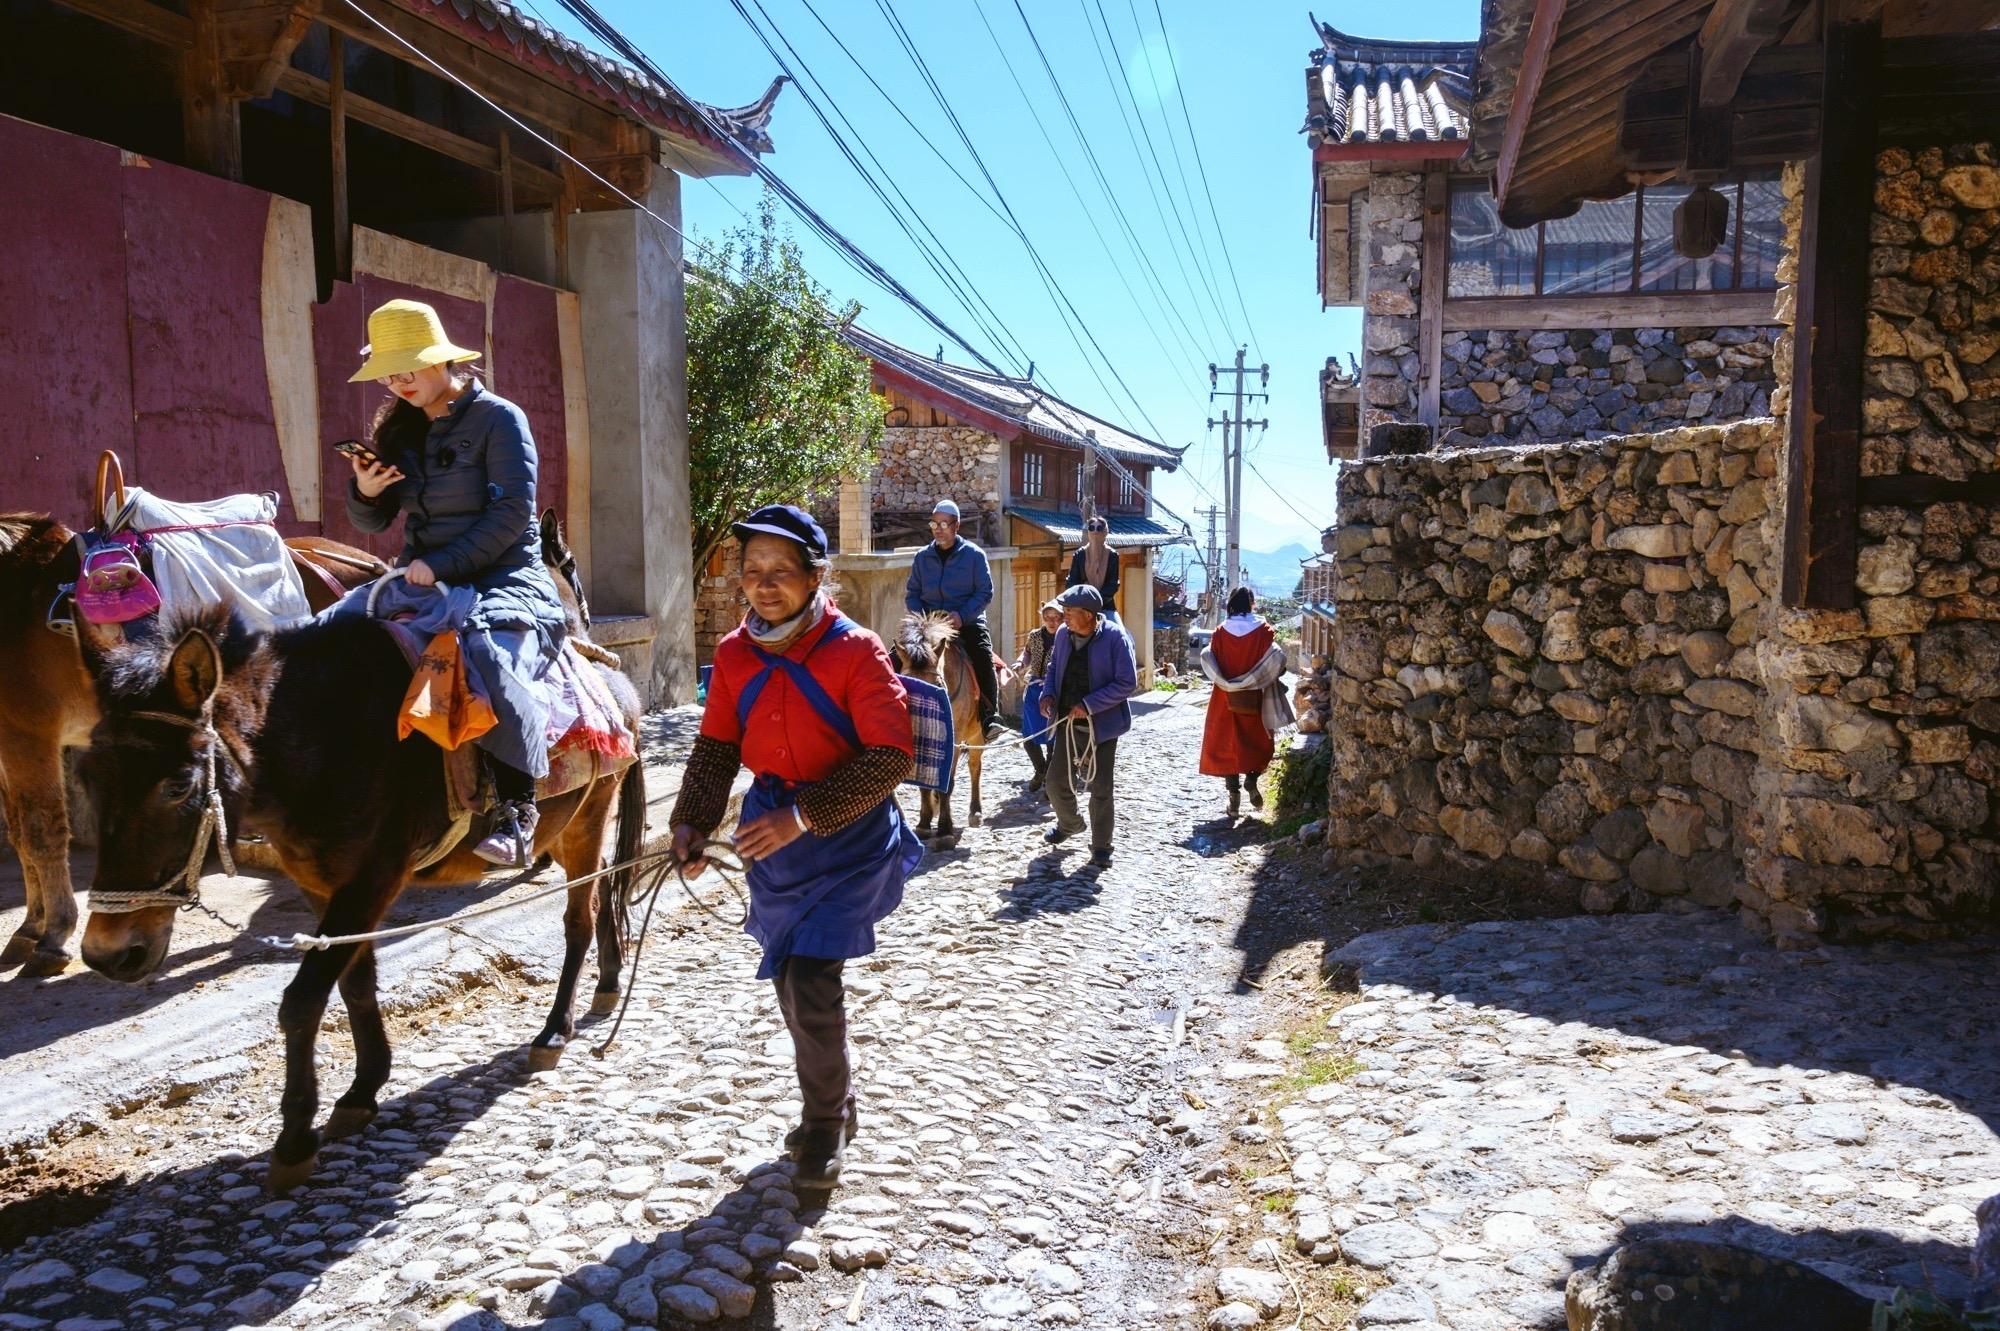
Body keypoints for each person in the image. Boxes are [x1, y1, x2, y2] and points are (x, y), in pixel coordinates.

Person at [669, 504, 921, 1189]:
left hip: (849, 839)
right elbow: (717, 748)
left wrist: (804, 817)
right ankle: (835, 1096)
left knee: (811, 980)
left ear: (815, 576)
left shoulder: (855, 650)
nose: (766, 584)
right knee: (790, 978)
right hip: (774, 845)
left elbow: (889, 757)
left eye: (782, 571)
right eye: (753, 571)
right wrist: (691, 820)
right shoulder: (732, 655)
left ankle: (823, 1125)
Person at [336, 298, 567, 866]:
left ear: (442, 359)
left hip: (504, 576)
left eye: (409, 365)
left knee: (488, 654)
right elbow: (375, 519)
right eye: (391, 371)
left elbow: (513, 514)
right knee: (325, 632)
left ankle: (518, 810)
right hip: (420, 578)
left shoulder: (500, 419)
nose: (400, 380)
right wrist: (365, 492)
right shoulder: (400, 431)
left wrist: (442, 565)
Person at [1039, 584, 1138, 868]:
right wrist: (1048, 694)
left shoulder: (1115, 638)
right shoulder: (1062, 635)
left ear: (1089, 614)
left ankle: (1101, 846)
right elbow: (1053, 669)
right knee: (1056, 783)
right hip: (1066, 722)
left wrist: (1090, 704)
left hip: (1102, 726)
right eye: (1064, 611)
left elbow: (1126, 683)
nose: (1064, 616)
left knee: (1101, 788)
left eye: (1069, 612)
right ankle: (1070, 824)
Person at [905, 498, 1005, 741]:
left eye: (944, 524)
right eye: (934, 524)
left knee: (982, 656)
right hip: (929, 625)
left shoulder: (974, 555)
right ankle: (891, 711)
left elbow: (985, 592)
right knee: (895, 656)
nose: (938, 529)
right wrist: (925, 619)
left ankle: (990, 716)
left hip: (966, 623)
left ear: (956, 526)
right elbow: (912, 594)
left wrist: (961, 616)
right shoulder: (922, 557)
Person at [1200, 587, 1290, 815]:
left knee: (1226, 744)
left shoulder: (1220, 632)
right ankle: (1252, 779)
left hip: (1224, 698)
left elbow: (1214, 657)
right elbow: (1276, 661)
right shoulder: (1264, 632)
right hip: (1255, 697)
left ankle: (1233, 797)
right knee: (1258, 741)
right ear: (1251, 603)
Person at [1011, 599, 1063, 794]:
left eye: (1056, 618)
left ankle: (1049, 779)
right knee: (1029, 734)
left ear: (1062, 618)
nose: (1051, 621)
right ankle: (1040, 770)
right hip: (1034, 689)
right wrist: (1020, 663)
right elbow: (1027, 654)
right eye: (1047, 617)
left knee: (1052, 735)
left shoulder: (1065, 638)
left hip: (1054, 690)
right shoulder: (1034, 636)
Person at [1065, 515, 1121, 620]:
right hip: (1082, 605)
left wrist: (1097, 600)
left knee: (1120, 633)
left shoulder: (1112, 555)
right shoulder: (1080, 554)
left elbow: (1113, 584)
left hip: (1106, 606)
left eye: (1099, 528)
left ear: (1105, 532)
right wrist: (1082, 599)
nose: (1095, 532)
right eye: (1091, 528)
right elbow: (1072, 580)